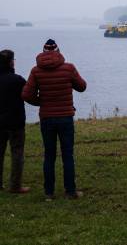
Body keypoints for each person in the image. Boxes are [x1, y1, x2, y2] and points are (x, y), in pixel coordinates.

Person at [22, 39, 87, 200]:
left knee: (49, 156)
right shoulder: (69, 68)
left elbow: (26, 95)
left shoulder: (36, 71)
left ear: (43, 52)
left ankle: (49, 193)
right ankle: (70, 191)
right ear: (58, 51)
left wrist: (41, 101)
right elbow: (82, 86)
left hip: (47, 119)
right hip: (65, 118)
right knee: (68, 155)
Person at [0, 50, 30, 193]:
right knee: (17, 153)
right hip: (15, 122)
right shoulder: (18, 80)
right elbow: (29, 94)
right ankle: (15, 185)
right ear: (11, 62)